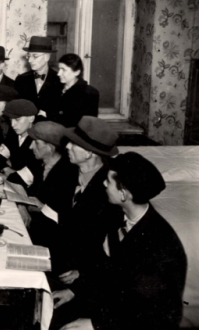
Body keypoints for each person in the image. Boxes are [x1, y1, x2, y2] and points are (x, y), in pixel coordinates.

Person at [53, 152, 187, 330]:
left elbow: (150, 314)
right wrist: (74, 291)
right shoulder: (121, 217)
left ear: (124, 194)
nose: (103, 184)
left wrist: (95, 325)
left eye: (108, 181)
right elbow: (110, 269)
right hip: (117, 309)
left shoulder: (160, 247)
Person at [54, 116, 120, 278]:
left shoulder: (111, 189)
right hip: (58, 252)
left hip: (85, 270)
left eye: (74, 144)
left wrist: (83, 273)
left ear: (89, 153)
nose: (67, 146)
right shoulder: (69, 170)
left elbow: (110, 249)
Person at [23, 122, 78, 249]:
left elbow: (62, 218)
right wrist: (22, 206)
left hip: (52, 240)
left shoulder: (68, 173)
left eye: (36, 143)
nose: (31, 147)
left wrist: (40, 207)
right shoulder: (39, 164)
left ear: (50, 147)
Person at [0, 99, 40, 187]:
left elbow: (27, 177)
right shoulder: (14, 134)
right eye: (11, 120)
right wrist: (6, 169)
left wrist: (7, 175)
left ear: (31, 118)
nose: (13, 124)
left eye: (17, 120)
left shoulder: (38, 141)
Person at [14, 36, 60, 118]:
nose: (30, 60)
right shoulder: (21, 80)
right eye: (29, 56)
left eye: (35, 56)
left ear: (47, 57)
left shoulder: (59, 80)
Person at [49, 53, 99, 127]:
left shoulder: (89, 93)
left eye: (63, 70)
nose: (59, 73)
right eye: (59, 69)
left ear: (77, 72)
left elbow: (86, 125)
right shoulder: (54, 88)